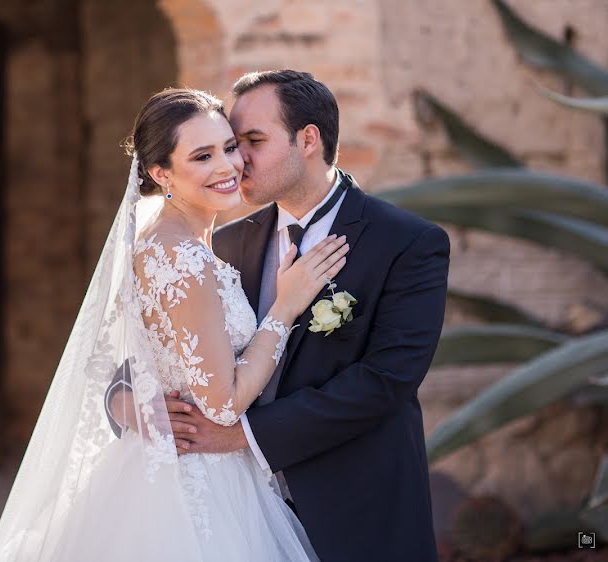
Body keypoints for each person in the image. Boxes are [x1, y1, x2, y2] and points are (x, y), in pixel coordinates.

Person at [0, 87, 348, 561]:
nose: (227, 167)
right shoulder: (181, 258)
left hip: (167, 466)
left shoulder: (167, 243)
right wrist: (285, 307)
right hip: (197, 483)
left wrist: (125, 399)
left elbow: (129, 355)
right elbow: (222, 404)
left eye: (229, 147)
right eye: (202, 156)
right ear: (161, 173)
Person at [153, 70, 450, 562]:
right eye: (230, 144)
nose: (235, 160)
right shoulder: (221, 244)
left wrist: (243, 436)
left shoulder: (407, 242)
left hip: (358, 512)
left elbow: (386, 380)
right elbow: (147, 345)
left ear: (307, 139)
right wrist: (132, 404)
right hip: (242, 516)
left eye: (251, 141)